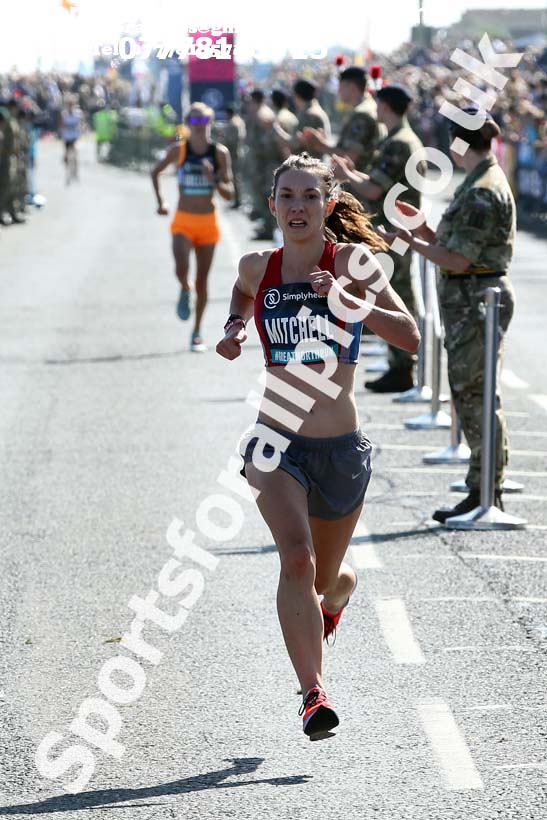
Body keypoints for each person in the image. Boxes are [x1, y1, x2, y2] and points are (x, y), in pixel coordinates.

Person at [216, 153, 419, 739]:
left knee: (326, 577)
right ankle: (313, 694)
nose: (298, 206)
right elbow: (239, 293)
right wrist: (233, 330)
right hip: (275, 442)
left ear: (328, 204)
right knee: (296, 559)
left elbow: (408, 336)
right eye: (288, 196)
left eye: (310, 196)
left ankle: (336, 596)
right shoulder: (259, 264)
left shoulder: (351, 262)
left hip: (339, 450)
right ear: (273, 204)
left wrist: (353, 303)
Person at [381, 108, 516, 521]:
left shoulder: (481, 189)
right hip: (469, 301)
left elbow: (457, 258)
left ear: (460, 143)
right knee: (471, 394)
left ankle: (484, 491)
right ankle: (482, 487)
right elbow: (451, 243)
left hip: (476, 300)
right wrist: (421, 229)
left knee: (475, 396)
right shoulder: (477, 182)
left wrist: (410, 241)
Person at [332, 85, 427, 393]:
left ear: (385, 107)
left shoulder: (398, 143)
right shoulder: (405, 140)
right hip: (398, 227)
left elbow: (374, 189)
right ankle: (399, 363)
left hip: (394, 230)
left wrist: (349, 176)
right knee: (394, 292)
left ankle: (402, 367)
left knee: (395, 295)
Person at [151, 102, 234, 352]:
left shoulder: (219, 153)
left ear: (210, 123)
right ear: (188, 124)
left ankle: (197, 331)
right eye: (194, 122)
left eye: (204, 121)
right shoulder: (180, 150)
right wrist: (161, 202)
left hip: (208, 222)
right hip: (184, 220)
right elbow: (155, 172)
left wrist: (214, 179)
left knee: (202, 281)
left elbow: (230, 194)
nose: (199, 127)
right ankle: (183, 288)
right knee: (181, 269)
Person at [301, 66, 384, 174]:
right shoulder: (370, 106)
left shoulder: (361, 114)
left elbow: (350, 158)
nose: (338, 90)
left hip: (358, 182)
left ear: (352, 87)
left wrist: (320, 144)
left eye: (340, 86)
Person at [274, 80, 331, 160]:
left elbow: (296, 144)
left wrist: (276, 130)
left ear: (297, 95)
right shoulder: (315, 111)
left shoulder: (309, 115)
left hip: (309, 166)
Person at [59, 96, 82, 183]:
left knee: (75, 153)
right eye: (69, 105)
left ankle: (75, 172)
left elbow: (80, 124)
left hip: (75, 137)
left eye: (72, 104)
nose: (70, 106)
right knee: (67, 156)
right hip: (67, 137)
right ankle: (67, 173)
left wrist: (79, 128)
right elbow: (62, 125)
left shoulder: (78, 113)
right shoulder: (64, 114)